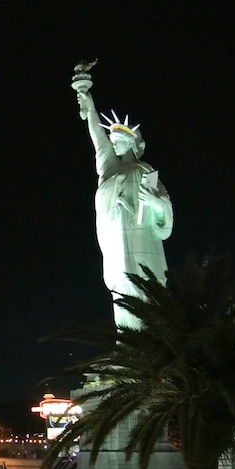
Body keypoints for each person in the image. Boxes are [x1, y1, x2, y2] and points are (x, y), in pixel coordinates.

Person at [75, 84, 174, 329]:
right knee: (122, 287)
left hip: (144, 242)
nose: (113, 145)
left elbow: (164, 210)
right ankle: (128, 340)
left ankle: (153, 336)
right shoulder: (109, 168)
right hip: (115, 243)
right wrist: (89, 105)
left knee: (146, 286)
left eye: (118, 141)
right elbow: (98, 139)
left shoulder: (146, 170)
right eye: (112, 142)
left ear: (130, 143)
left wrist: (155, 203)